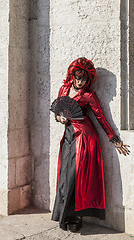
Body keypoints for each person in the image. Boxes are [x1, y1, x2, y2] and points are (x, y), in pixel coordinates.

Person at [51, 57, 130, 232]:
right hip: (69, 137)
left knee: (77, 177)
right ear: (72, 76)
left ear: (88, 80)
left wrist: (114, 139)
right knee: (65, 176)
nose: (80, 82)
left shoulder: (89, 96)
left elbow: (101, 117)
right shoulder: (64, 89)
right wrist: (60, 117)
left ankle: (77, 216)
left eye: (84, 79)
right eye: (78, 78)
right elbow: (57, 112)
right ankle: (65, 215)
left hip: (85, 138)